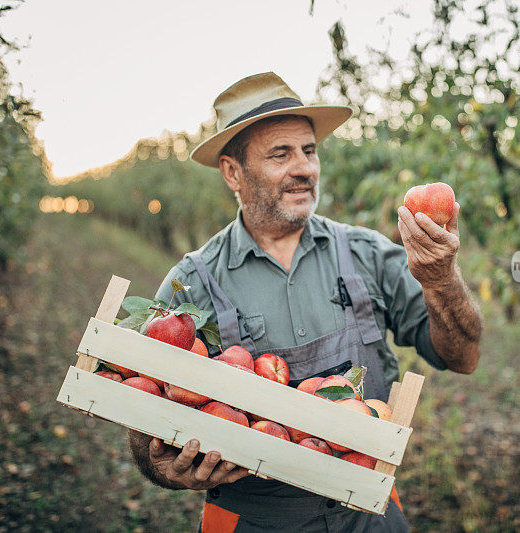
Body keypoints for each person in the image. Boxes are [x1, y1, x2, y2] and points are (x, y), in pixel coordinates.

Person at [127, 72, 483, 532]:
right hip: (253, 520)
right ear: (233, 172)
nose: (305, 168)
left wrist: (441, 281)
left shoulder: (367, 254)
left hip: (368, 512)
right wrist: (166, 469)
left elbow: (464, 357)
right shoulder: (190, 287)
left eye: (309, 151)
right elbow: (141, 427)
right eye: (281, 154)